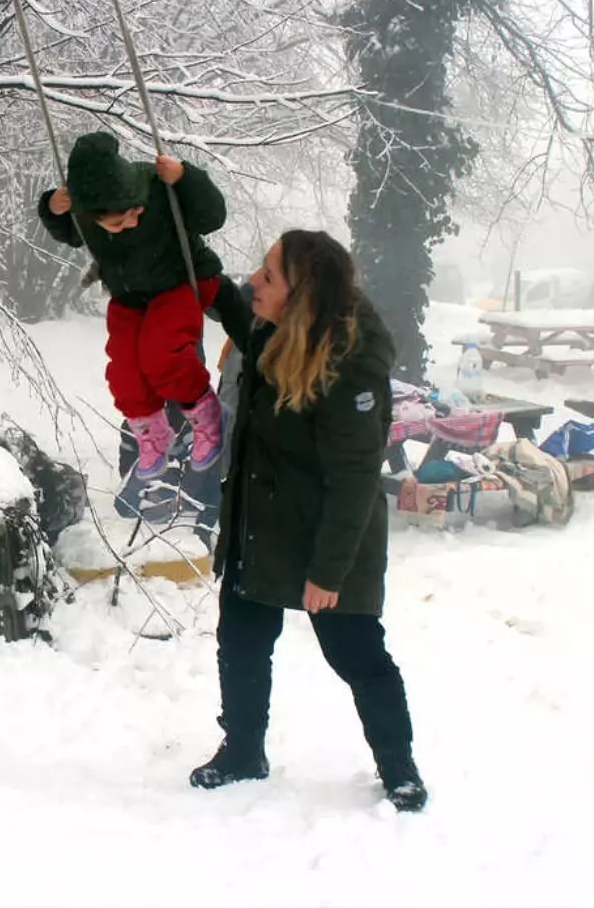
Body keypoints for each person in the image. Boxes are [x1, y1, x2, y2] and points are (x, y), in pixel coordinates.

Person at [193, 229, 428, 813]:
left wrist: (327, 572)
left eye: (269, 277)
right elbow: (228, 300)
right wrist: (172, 227)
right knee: (242, 639)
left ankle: (398, 765)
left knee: (355, 652)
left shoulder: (350, 363)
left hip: (332, 535)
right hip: (265, 521)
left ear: (303, 297)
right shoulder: (270, 325)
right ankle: (243, 750)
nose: (255, 282)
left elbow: (354, 480)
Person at [38, 132, 228, 480]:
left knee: (163, 355)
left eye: (136, 214)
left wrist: (186, 177)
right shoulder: (83, 210)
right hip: (129, 297)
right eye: (119, 222)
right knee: (124, 371)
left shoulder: (154, 184)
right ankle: (152, 433)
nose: (132, 223)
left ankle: (206, 415)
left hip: (176, 283)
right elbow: (68, 232)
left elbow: (212, 217)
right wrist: (51, 208)